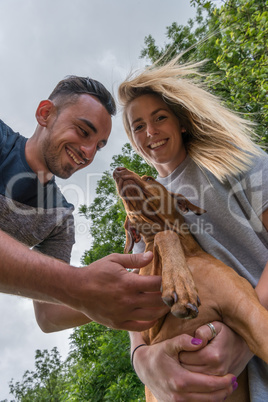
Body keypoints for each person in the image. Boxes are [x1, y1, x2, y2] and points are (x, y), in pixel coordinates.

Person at [118, 57, 268, 401]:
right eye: (138, 126)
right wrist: (142, 360)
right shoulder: (143, 206)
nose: (150, 132)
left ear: (181, 123)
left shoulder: (232, 160)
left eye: (159, 118)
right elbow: (138, 305)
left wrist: (244, 331)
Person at [0, 75, 169, 334]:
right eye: (83, 131)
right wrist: (81, 283)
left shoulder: (60, 217)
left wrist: (127, 289)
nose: (89, 152)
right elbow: (72, 286)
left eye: (99, 146)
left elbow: (50, 315)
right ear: (45, 114)